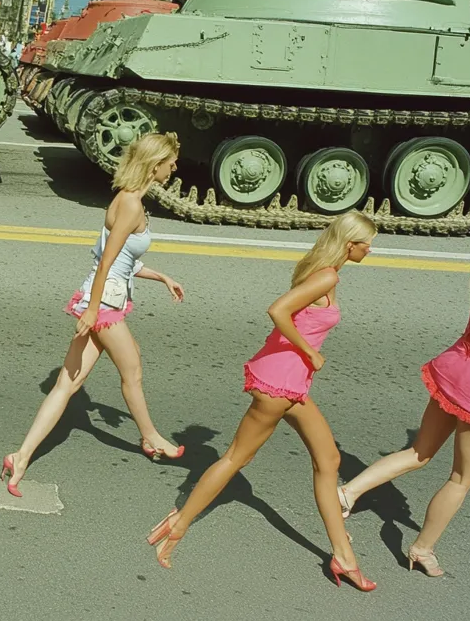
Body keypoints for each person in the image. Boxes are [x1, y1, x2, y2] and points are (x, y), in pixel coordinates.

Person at [147, 211, 378, 592]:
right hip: (279, 383)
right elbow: (278, 310)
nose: (370, 250)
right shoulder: (327, 275)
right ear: (350, 244)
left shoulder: (322, 270)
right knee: (237, 457)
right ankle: (179, 524)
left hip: (288, 382)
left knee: (329, 459)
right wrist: (311, 353)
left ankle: (342, 555)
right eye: (366, 243)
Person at [1, 132, 186, 497]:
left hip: (100, 298)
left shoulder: (128, 200)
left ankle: (20, 456)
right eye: (171, 161)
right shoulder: (131, 204)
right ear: (155, 164)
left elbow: (121, 258)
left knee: (67, 384)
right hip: (103, 304)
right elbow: (106, 262)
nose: (175, 166)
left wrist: (160, 275)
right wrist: (91, 311)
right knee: (132, 370)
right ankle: (151, 438)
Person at [336, 271, 470, 577]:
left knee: (419, 451)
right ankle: (422, 549)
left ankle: (347, 493)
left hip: (457, 368)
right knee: (461, 478)